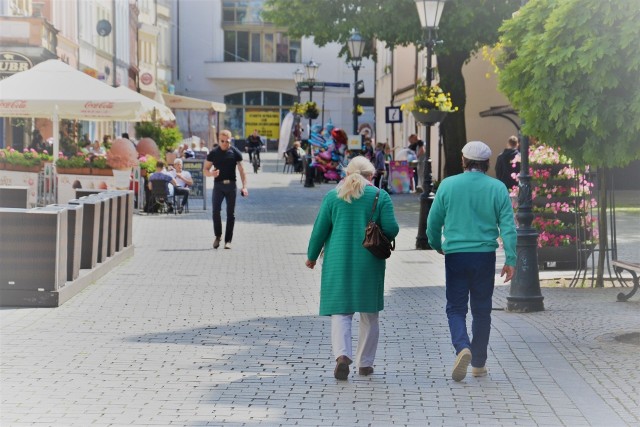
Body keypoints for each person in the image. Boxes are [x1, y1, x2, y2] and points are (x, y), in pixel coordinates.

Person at [427, 140, 516, 382]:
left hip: (456, 254)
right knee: (482, 310)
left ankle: (461, 346)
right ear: (487, 163)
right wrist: (511, 258)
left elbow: (433, 222)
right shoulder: (497, 188)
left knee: (455, 307)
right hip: (484, 255)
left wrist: (437, 245)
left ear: (463, 161)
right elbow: (508, 225)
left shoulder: (448, 185)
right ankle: (478, 363)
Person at [306, 156, 399, 380]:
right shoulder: (379, 196)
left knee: (341, 312)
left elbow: (319, 230)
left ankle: (342, 356)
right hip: (369, 261)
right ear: (370, 176)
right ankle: (365, 364)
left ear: (347, 174)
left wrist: (311, 256)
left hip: (337, 261)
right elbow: (392, 228)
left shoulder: (333, 196)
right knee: (369, 314)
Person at [204, 129, 248, 250]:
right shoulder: (213, 153)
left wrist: (244, 186)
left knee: (230, 214)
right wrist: (211, 174)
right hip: (218, 186)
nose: (224, 143)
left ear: (230, 140)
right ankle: (218, 236)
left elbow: (242, 170)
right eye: (222, 141)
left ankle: (228, 241)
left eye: (227, 141)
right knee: (215, 212)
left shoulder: (235, 152)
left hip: (231, 186)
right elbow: (205, 170)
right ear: (219, 140)